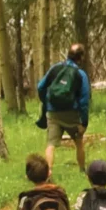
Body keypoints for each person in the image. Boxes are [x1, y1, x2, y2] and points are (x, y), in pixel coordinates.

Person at [36, 42, 91, 176]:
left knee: (50, 144)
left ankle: (48, 172)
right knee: (79, 142)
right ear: (81, 57)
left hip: (52, 112)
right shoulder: (80, 74)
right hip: (71, 114)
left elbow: (40, 86)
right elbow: (84, 100)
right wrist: (84, 122)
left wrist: (46, 101)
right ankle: (82, 170)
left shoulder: (55, 68)